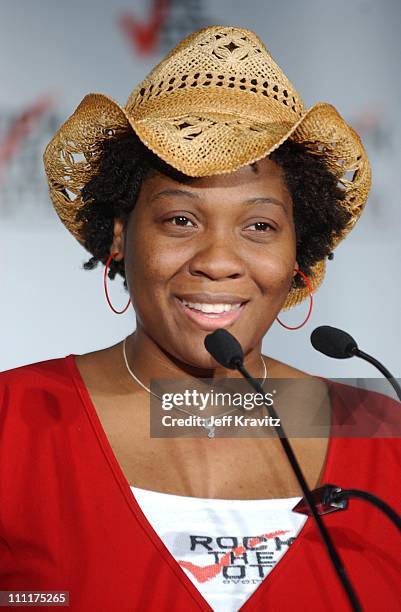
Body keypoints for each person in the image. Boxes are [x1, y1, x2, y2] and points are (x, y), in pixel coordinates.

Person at [0, 25, 400, 612]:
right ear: (120, 235)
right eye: (180, 220)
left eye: (259, 226)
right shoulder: (14, 420)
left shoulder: (382, 432)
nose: (217, 261)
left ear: (299, 255)